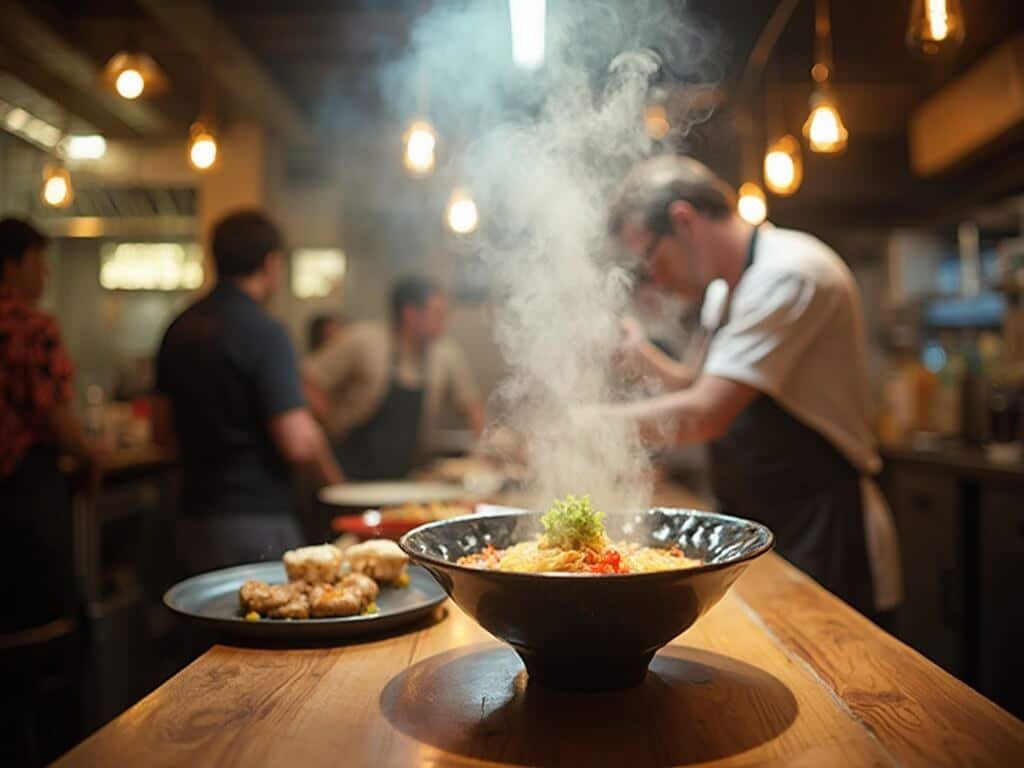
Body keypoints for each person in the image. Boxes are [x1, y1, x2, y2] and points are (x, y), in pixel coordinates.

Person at [606, 156, 901, 616]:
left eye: (652, 258)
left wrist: (580, 426)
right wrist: (641, 353)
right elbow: (700, 382)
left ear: (684, 220)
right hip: (767, 515)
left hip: (825, 525)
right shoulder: (726, 290)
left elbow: (706, 411)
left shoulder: (789, 273)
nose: (657, 280)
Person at [153, 210, 343, 575]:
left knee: (207, 627)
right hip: (256, 520)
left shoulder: (179, 328)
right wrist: (340, 492)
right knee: (268, 624)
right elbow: (297, 441)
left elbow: (160, 432)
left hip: (190, 518)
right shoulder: (265, 331)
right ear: (271, 263)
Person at [0, 217, 104, 631]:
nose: (44, 274)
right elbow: (56, 417)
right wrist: (92, 455)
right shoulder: (32, 326)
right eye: (38, 263)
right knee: (47, 622)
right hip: (25, 491)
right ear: (13, 264)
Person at [304, 276, 485, 480]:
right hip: (348, 472)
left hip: (405, 476)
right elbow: (307, 383)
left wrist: (482, 454)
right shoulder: (362, 340)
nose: (445, 321)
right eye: (437, 313)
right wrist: (330, 422)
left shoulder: (446, 353)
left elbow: (472, 408)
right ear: (410, 313)